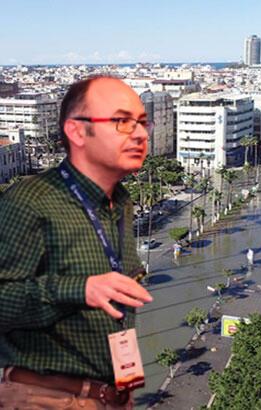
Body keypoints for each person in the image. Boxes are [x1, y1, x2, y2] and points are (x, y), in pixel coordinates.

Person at [0, 76, 154, 409]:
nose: (141, 134)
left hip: (112, 397)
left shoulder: (121, 203)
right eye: (122, 122)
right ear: (77, 132)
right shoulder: (30, 199)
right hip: (44, 397)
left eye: (142, 122)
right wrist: (79, 289)